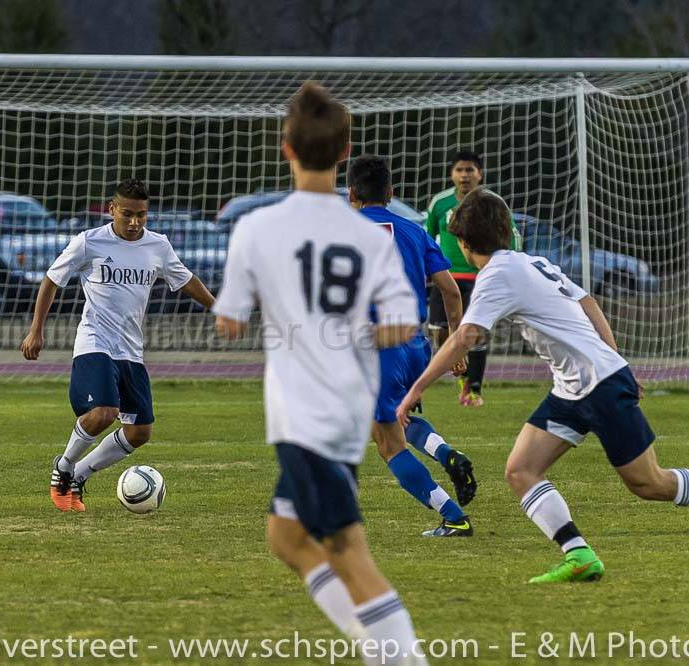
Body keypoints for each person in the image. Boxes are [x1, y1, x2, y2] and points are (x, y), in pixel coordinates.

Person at [398, 188, 689, 583]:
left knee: (648, 483)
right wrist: (617, 359)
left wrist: (416, 389)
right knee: (521, 469)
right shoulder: (533, 261)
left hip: (599, 384)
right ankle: (578, 555)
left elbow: (466, 336)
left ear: (464, 242)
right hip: (573, 388)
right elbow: (588, 302)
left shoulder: (498, 274)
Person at [214, 82, 427, 664]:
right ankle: (373, 646)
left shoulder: (256, 230)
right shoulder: (368, 234)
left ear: (285, 147)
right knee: (286, 538)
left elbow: (229, 320)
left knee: (350, 556)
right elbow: (404, 324)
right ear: (343, 152)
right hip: (345, 409)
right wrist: (349, 328)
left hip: (305, 416)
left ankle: (399, 656)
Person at [21, 178, 215, 513]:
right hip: (95, 341)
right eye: (127, 214)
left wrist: (218, 307)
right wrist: (36, 330)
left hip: (131, 350)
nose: (134, 222)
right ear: (112, 209)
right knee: (104, 413)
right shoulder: (88, 242)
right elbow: (52, 279)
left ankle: (80, 474)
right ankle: (65, 466)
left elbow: (185, 279)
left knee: (139, 432)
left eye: (141, 215)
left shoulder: (158, 246)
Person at [346, 154, 477, 537]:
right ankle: (445, 453)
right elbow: (451, 291)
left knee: (387, 441)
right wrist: (456, 345)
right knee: (397, 420)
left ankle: (453, 516)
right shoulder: (415, 231)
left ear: (351, 193)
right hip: (414, 344)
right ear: (390, 193)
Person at [423, 150, 521, 407]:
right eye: (459, 170)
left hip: (480, 277)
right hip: (446, 277)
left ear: (480, 174)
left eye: (469, 170)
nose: (464, 175)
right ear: (451, 174)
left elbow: (512, 234)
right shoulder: (440, 203)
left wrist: (512, 266)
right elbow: (426, 236)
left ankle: (474, 388)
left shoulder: (491, 202)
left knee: (474, 332)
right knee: (438, 331)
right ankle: (459, 371)